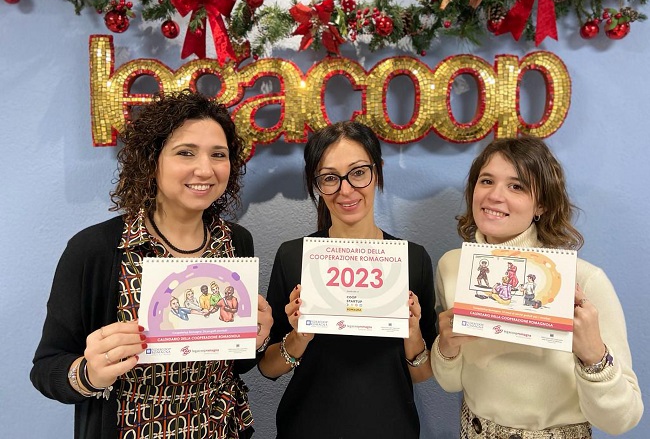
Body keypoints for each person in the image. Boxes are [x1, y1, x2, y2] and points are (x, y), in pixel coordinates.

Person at [31, 91, 273, 439]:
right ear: (151, 160)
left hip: (220, 427)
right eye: (185, 152)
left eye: (218, 155)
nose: (205, 169)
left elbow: (234, 362)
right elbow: (46, 368)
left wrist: (256, 340)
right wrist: (88, 373)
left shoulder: (235, 242)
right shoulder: (96, 249)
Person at [431, 136, 643, 438]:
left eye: (516, 186)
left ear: (541, 204)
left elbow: (622, 420)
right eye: (486, 181)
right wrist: (446, 348)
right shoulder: (452, 266)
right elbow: (451, 383)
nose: (495, 196)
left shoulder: (584, 281)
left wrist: (594, 356)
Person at [258, 121, 437, 439]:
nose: (345, 190)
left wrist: (412, 335)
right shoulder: (294, 256)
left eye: (358, 173)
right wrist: (299, 338)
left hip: (391, 428)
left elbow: (423, 373)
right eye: (330, 178)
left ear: (377, 172)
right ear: (316, 184)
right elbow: (267, 367)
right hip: (306, 428)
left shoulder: (411, 259)